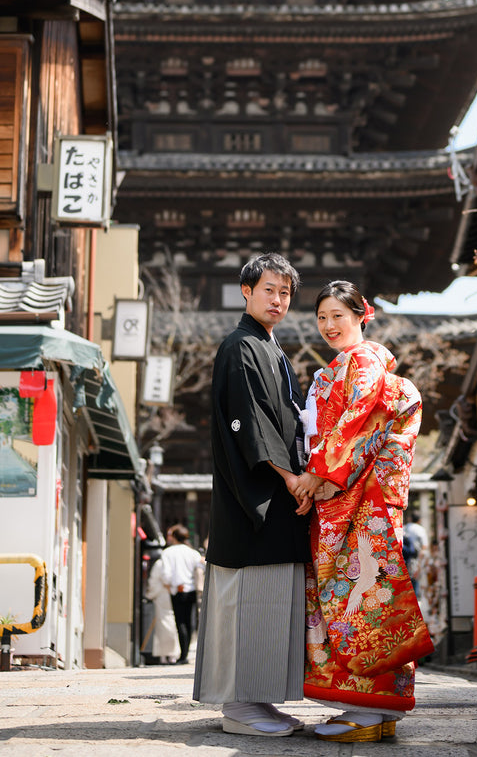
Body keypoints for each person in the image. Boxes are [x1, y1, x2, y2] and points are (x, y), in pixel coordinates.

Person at [292, 281, 433, 743]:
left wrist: (317, 475)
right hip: (345, 494)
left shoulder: (365, 359)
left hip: (357, 495)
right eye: (322, 318)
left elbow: (359, 417)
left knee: (363, 598)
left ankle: (369, 708)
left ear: (361, 315)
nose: (330, 325)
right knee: (356, 598)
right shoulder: (337, 367)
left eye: (339, 315)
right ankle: (373, 707)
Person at [193, 253, 311, 737]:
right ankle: (239, 704)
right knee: (250, 597)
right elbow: (253, 425)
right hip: (254, 496)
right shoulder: (241, 346)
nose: (278, 300)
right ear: (246, 291)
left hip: (282, 494)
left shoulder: (271, 347)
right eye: (269, 290)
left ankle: (259, 696)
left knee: (273, 596)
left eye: (285, 293)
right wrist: (288, 478)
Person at [160, 524, 204, 665]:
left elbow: (166, 573)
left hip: (176, 589)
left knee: (180, 622)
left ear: (174, 536)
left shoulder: (168, 552)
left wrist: (168, 584)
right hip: (191, 589)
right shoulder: (192, 553)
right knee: (189, 621)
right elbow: (200, 568)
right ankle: (185, 653)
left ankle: (183, 655)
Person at [144, 549, 181, 664]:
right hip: (173, 594)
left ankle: (164, 655)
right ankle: (173, 654)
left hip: (161, 596)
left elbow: (153, 580)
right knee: (173, 622)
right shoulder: (174, 562)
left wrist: (150, 594)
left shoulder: (160, 564)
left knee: (163, 623)